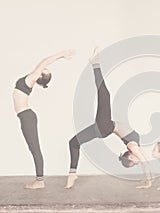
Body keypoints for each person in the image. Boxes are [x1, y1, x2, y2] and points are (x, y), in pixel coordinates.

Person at [65, 47, 152, 189]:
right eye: (135, 162)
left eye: (134, 163)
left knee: (104, 94)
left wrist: (148, 181)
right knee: (73, 142)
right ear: (130, 157)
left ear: (130, 156)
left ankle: (95, 64)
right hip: (103, 127)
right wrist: (147, 181)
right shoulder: (134, 145)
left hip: (105, 126)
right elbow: (144, 162)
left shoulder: (132, 146)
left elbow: (145, 163)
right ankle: (72, 174)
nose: (138, 161)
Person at [13, 50, 75, 189]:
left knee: (34, 148)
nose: (43, 68)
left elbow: (45, 61)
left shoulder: (31, 79)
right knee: (33, 148)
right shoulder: (30, 79)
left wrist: (62, 55)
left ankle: (39, 181)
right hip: (25, 116)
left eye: (44, 70)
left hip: (27, 117)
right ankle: (39, 180)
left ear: (41, 75)